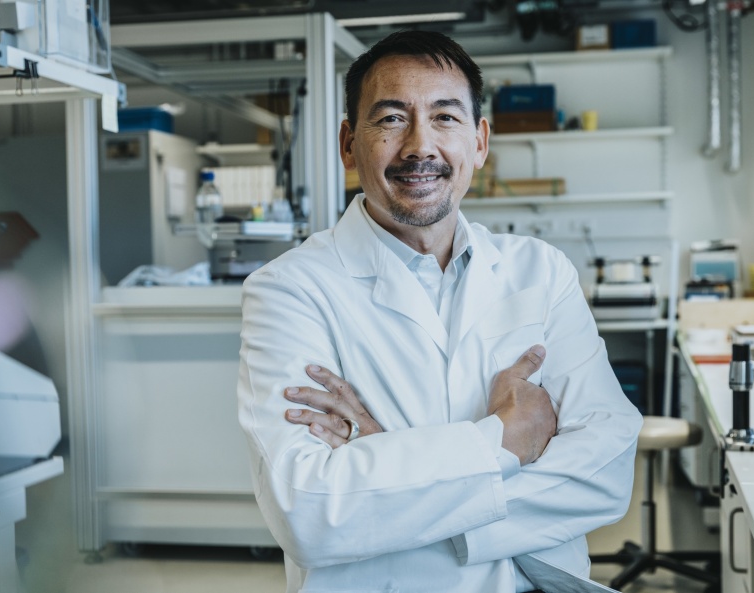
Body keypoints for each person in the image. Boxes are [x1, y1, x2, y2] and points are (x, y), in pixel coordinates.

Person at [237, 30, 643, 593]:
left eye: (445, 118)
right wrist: (506, 439)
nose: (419, 147)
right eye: (391, 119)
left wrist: (384, 467)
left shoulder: (541, 272)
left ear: (479, 142)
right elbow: (310, 513)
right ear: (348, 144)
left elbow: (605, 472)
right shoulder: (288, 289)